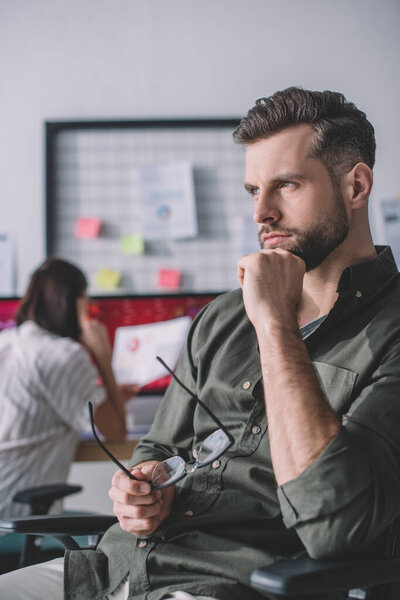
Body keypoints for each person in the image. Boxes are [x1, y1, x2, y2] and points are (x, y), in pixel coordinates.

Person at [1, 87, 400, 600]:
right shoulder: (222, 316)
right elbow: (157, 450)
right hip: (109, 569)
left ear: (356, 186)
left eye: (287, 185)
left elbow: (335, 528)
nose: (263, 213)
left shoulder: (387, 329)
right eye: (254, 190)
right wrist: (141, 490)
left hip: (226, 583)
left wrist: (275, 322)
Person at [0, 257, 134, 519]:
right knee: (115, 531)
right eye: (87, 301)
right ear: (75, 301)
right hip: (16, 512)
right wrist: (103, 356)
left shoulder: (7, 342)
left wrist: (111, 396)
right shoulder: (65, 355)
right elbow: (117, 432)